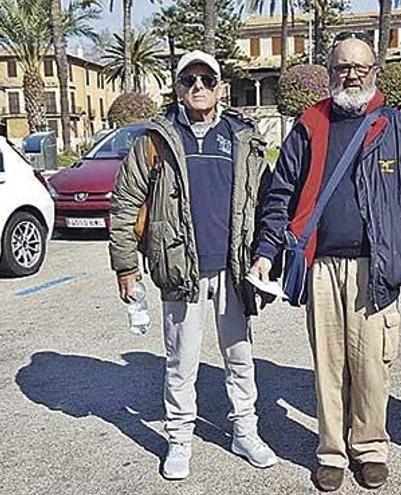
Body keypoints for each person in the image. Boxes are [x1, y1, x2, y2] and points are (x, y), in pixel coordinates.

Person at [249, 33, 401, 492]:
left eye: (360, 67)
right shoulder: (310, 124)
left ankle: (370, 448)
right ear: (329, 71)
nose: (350, 75)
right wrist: (266, 252)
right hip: (321, 268)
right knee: (329, 366)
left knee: (373, 365)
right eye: (341, 67)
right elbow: (281, 194)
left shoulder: (399, 128)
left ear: (374, 71)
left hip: (375, 265)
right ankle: (331, 452)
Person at [108, 50, 277, 480]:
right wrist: (126, 267)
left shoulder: (242, 138)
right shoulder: (155, 141)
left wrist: (267, 258)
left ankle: (245, 431)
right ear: (177, 89)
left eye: (206, 79)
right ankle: (179, 440)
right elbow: (126, 204)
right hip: (181, 271)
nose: (198, 87)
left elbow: (268, 200)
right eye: (189, 80)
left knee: (239, 357)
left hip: (233, 271)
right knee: (181, 362)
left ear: (219, 86)